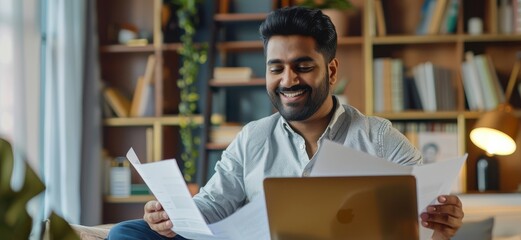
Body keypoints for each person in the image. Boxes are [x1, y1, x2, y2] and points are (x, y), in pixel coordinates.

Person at [108, 6, 463, 240]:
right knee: (126, 233)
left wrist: (442, 222)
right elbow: (212, 205)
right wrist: (172, 215)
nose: (287, 80)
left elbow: (424, 208)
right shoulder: (253, 138)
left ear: (332, 70)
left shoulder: (378, 137)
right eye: (275, 68)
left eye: (303, 66)